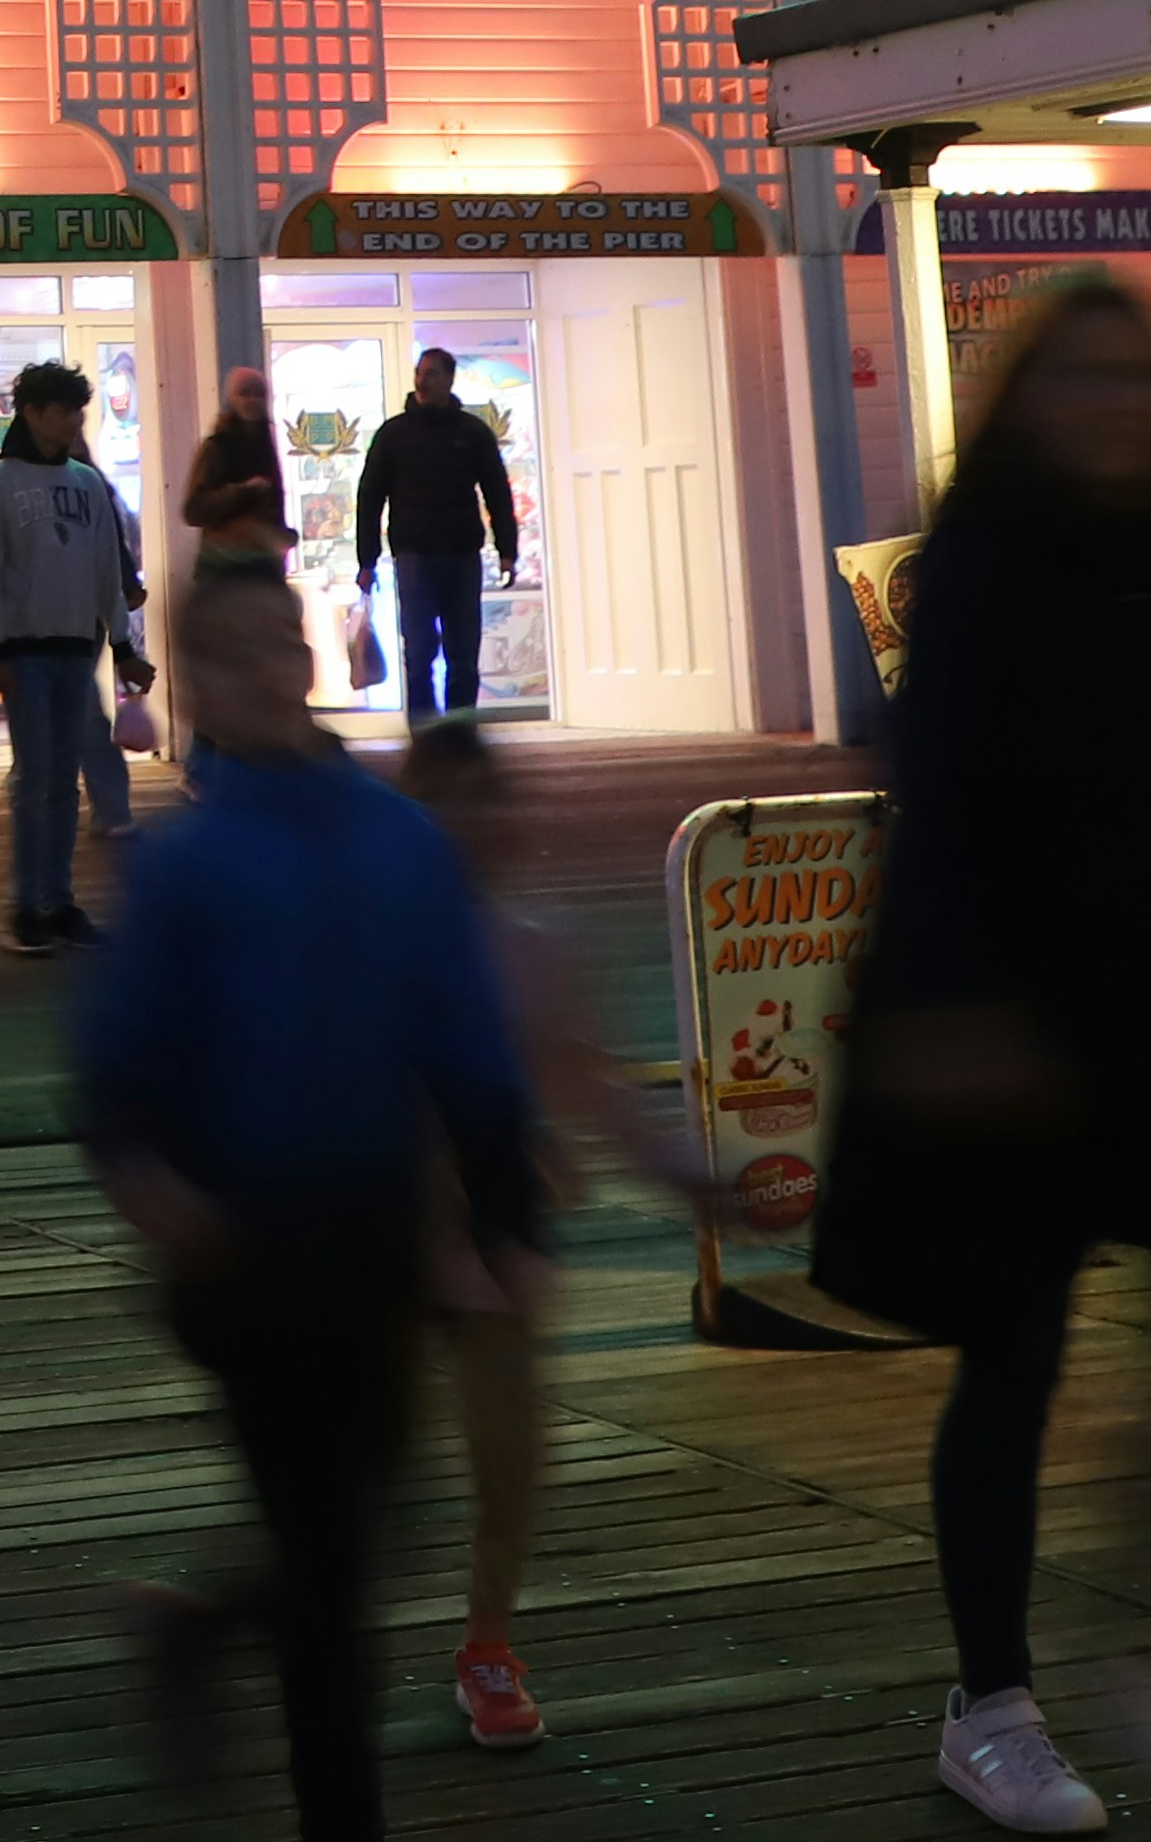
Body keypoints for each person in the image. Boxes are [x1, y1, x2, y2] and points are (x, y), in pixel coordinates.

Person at [811, 274, 1151, 1833]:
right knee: (1012, 1350)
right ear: (1028, 398)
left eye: (1132, 376)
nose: (1108, 405)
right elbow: (946, 788)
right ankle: (995, 1700)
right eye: (1077, 377)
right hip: (1015, 1014)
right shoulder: (979, 563)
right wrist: (955, 1003)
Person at [75, 564, 545, 1842]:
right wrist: (149, 1175)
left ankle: (207, 1628)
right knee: (333, 1559)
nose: (270, 667)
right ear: (201, 692)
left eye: (284, 640)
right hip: (244, 1245)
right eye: (231, 654)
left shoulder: (394, 836)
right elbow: (118, 1060)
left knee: (364, 1517)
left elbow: (460, 1030)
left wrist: (497, 1209)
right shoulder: (184, 861)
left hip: (373, 1230)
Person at [396, 720, 701, 1752]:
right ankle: (293, 1614)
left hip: (495, 1219)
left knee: (510, 1450)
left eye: (489, 799)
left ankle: (488, 1637)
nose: (472, 821)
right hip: (379, 1214)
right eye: (445, 801)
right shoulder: (360, 945)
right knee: (363, 1453)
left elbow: (594, 1085)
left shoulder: (534, 950)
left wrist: (685, 1174)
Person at [0, 358, 143, 944]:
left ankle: (57, 899)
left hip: (76, 647)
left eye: (78, 410)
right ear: (32, 413)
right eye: (63, 410)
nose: (73, 420)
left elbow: (105, 571)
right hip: (25, 650)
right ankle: (28, 904)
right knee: (36, 777)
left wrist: (122, 644)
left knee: (62, 780)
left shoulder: (86, 481)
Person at [351, 349, 521, 725]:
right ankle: (425, 737)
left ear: (449, 379)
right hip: (414, 556)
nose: (422, 380)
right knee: (420, 650)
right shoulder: (394, 434)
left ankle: (459, 735)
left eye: (431, 373)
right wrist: (366, 559)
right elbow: (370, 497)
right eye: (419, 372)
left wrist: (507, 550)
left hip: (461, 555)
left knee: (462, 653)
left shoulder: (472, 433)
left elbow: (497, 492)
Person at [184, 369, 292, 567]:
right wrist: (243, 491)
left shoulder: (266, 444)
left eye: (259, 394)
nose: (253, 401)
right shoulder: (217, 446)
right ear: (232, 399)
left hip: (261, 566)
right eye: (245, 393)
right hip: (224, 567)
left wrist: (281, 536)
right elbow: (194, 510)